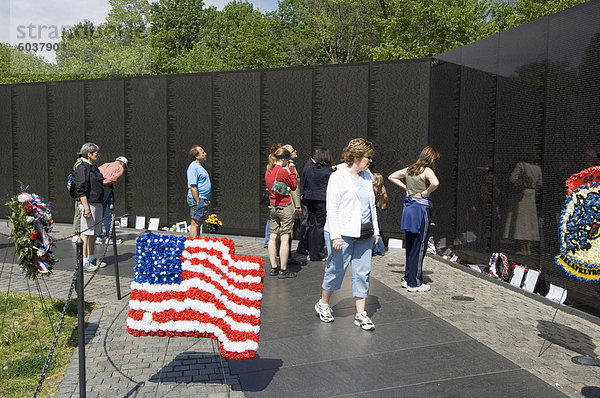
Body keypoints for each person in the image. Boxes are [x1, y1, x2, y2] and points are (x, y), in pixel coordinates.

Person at [315, 138, 379, 331]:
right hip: (342, 233)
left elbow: (371, 207)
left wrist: (376, 230)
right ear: (357, 157)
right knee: (336, 270)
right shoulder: (338, 177)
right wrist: (335, 236)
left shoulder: (367, 176)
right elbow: (332, 209)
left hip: (364, 233)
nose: (370, 161)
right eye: (368, 157)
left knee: (362, 273)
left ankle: (361, 313)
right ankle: (323, 303)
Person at [388, 146, 440, 292]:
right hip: (421, 209)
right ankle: (414, 282)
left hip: (408, 208)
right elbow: (435, 183)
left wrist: (405, 187)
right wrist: (425, 193)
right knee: (420, 245)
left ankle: (407, 277)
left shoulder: (410, 169)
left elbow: (391, 176)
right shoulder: (427, 170)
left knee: (410, 244)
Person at [265, 147, 298, 278]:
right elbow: (294, 186)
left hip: (272, 206)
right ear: (284, 159)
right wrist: (291, 170)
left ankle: (274, 267)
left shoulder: (268, 170)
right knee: (285, 237)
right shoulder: (283, 171)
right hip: (285, 206)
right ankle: (283, 270)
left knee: (273, 237)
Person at [72, 142, 105, 271]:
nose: (98, 156)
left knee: (93, 233)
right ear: (89, 154)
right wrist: (86, 208)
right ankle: (84, 260)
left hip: (96, 203)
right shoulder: (82, 167)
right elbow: (81, 189)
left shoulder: (93, 167)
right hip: (88, 203)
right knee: (86, 233)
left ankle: (91, 257)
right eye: (96, 153)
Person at [302, 148, 334, 261]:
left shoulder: (309, 168)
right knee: (320, 227)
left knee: (312, 226)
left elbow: (305, 183)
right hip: (322, 201)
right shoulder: (329, 171)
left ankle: (312, 251)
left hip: (310, 199)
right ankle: (317, 254)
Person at [97, 156, 128, 244]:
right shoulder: (119, 167)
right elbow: (113, 178)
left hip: (97, 190)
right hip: (107, 190)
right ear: (123, 163)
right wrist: (105, 182)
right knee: (108, 214)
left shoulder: (105, 164)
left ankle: (98, 236)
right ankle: (109, 237)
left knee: (98, 213)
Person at [187, 145, 211, 237]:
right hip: (198, 199)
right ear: (196, 156)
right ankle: (192, 245)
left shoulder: (199, 166)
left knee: (199, 222)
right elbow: (193, 186)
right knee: (195, 223)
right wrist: (197, 201)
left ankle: (197, 241)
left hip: (203, 199)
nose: (205, 154)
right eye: (202, 152)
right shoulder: (193, 167)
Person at [371, 172, 388, 256]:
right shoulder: (382, 190)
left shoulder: (374, 190)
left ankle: (376, 250)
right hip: (381, 212)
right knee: (378, 232)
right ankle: (381, 250)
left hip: (376, 212)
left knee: (375, 233)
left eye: (373, 179)